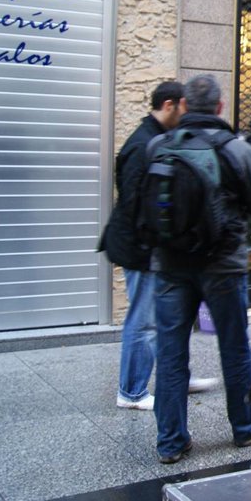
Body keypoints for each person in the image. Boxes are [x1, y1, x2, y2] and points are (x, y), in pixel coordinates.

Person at [151, 74, 251, 464]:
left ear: (184, 106)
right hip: (223, 266)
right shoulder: (235, 149)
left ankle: (170, 441)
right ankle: (246, 427)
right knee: (234, 347)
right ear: (220, 107)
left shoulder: (159, 146)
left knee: (171, 352)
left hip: (170, 265)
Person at [98, 81, 217, 411]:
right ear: (170, 105)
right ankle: (131, 392)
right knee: (144, 321)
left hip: (152, 248)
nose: (186, 113)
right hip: (140, 249)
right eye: (183, 107)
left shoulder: (156, 138)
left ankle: (177, 376)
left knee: (169, 317)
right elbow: (135, 205)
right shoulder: (142, 144)